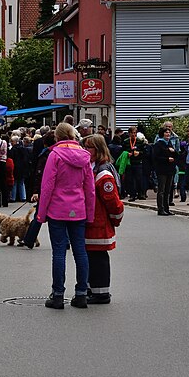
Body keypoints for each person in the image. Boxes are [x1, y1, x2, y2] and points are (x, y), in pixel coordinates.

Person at [37, 122, 94, 310]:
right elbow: (90, 189)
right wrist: (90, 213)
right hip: (78, 209)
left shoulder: (54, 156)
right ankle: (81, 294)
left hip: (57, 209)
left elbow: (47, 187)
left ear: (57, 137)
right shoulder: (85, 157)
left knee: (59, 252)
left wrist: (42, 213)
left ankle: (58, 294)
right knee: (80, 252)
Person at [83, 135, 124, 304]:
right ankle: (93, 289)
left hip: (99, 223)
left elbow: (113, 202)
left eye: (89, 148)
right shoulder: (93, 168)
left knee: (98, 257)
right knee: (91, 257)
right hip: (91, 222)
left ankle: (101, 293)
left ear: (98, 150)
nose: (86, 150)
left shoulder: (103, 173)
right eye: (84, 147)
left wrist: (116, 218)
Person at [23, 131, 57, 249]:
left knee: (39, 215)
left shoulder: (45, 154)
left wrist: (36, 191)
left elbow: (39, 174)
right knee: (60, 217)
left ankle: (29, 239)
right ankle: (66, 241)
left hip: (45, 188)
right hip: (58, 190)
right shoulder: (61, 154)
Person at [153, 127, 177, 215]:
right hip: (162, 169)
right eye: (166, 133)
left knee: (168, 190)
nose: (168, 134)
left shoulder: (170, 143)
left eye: (169, 133)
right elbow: (156, 157)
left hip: (170, 169)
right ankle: (161, 208)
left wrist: (173, 151)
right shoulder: (159, 144)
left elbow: (176, 155)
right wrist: (167, 159)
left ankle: (167, 208)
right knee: (161, 190)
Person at [123, 126, 145, 201]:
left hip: (138, 162)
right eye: (132, 133)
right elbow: (122, 151)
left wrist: (139, 153)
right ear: (129, 133)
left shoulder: (139, 141)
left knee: (139, 179)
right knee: (130, 179)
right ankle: (132, 194)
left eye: (135, 133)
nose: (133, 134)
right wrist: (127, 154)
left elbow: (144, 152)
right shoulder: (126, 142)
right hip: (129, 162)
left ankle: (140, 193)